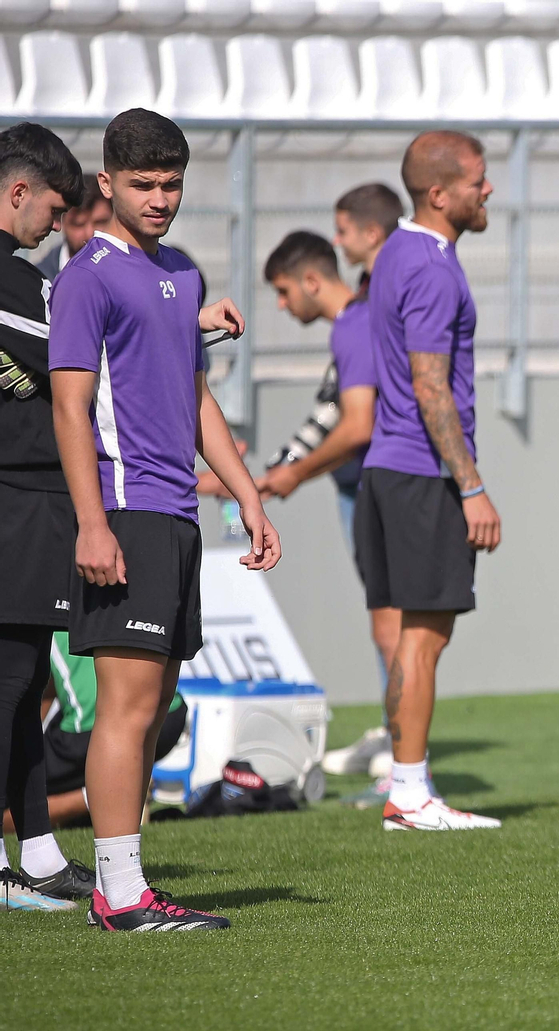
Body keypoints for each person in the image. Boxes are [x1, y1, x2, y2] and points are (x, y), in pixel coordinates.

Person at [49, 108, 281, 931]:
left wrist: (246, 492)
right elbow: (71, 410)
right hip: (124, 511)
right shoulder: (86, 276)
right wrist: (91, 521)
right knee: (129, 706)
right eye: (142, 183)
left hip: (178, 515)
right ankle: (118, 895)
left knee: (157, 704)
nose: (159, 198)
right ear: (105, 184)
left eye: (172, 183)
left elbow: (194, 397)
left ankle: (124, 883)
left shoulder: (180, 271)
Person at [357, 131, 500, 832]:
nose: (489, 190)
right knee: (424, 638)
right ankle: (410, 792)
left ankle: (406, 781)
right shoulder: (435, 269)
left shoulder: (393, 254)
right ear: (440, 193)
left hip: (386, 468)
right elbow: (429, 383)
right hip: (422, 472)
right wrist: (470, 485)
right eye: (478, 180)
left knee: (406, 636)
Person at [254, 230, 398, 804]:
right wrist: (270, 472)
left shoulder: (357, 323)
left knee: (395, 624)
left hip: (376, 484)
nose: (284, 306)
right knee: (386, 621)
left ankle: (406, 762)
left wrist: (292, 473)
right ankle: (398, 748)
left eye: (285, 292)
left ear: (312, 280)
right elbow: (329, 414)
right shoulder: (353, 325)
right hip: (358, 483)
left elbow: (357, 424)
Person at [0, 122, 96, 912]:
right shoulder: (15, 281)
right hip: (19, 500)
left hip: (28, 501)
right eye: (53, 210)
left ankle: (34, 853)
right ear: (18, 193)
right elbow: (80, 350)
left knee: (25, 679)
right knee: (7, 682)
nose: (55, 229)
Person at [0, 633, 188, 835]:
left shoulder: (39, 617)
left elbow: (35, 692)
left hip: (97, 726)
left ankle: (94, 797)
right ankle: (120, 791)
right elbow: (45, 693)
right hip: (170, 713)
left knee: (13, 790)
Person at [34, 171, 112, 282]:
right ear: (62, 223)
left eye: (100, 222)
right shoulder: (39, 280)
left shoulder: (131, 275)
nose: (89, 234)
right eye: (78, 224)